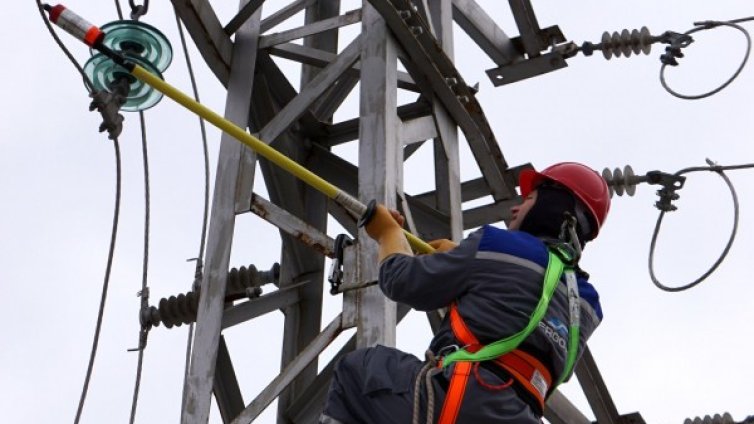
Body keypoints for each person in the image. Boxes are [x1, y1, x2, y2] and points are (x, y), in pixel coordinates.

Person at [320, 162, 610, 424]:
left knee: (360, 372)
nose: (515, 209)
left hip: (463, 401)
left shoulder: (496, 244)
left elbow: (402, 281)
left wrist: (387, 233)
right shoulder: (587, 305)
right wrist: (466, 266)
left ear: (550, 206)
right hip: (517, 415)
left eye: (528, 200)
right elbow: (520, 334)